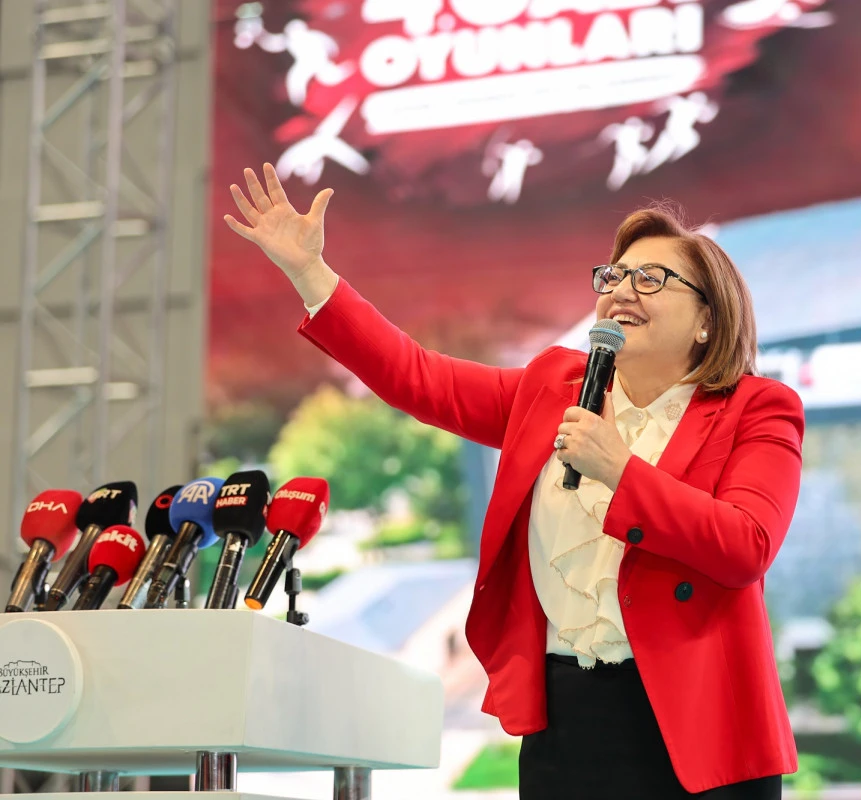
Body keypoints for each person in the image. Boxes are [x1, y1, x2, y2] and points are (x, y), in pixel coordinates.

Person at [224, 164, 804, 799]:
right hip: (567, 715)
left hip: (699, 723)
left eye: (651, 279)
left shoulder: (758, 408)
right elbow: (419, 377)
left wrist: (619, 469)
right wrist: (311, 273)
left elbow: (745, 544)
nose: (621, 291)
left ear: (706, 320)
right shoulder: (551, 387)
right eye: (613, 277)